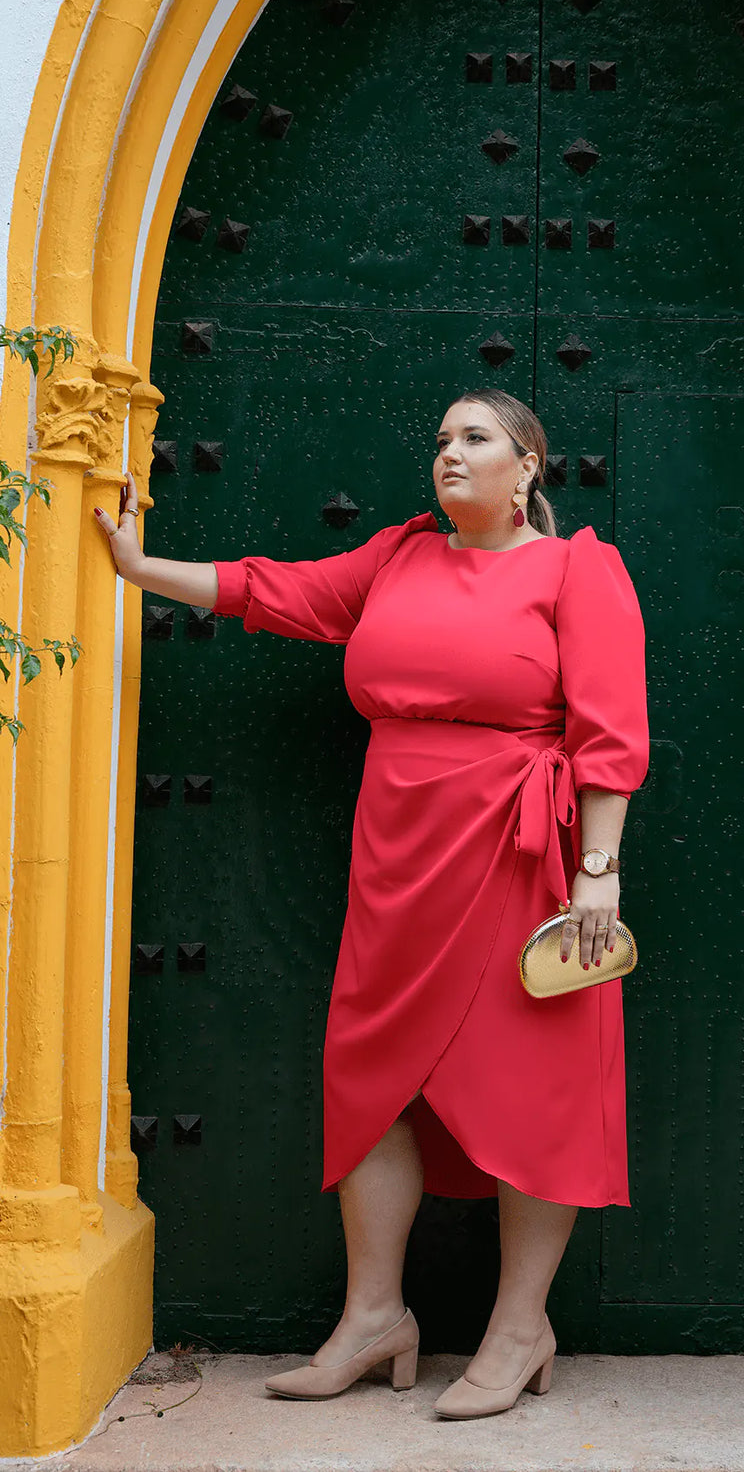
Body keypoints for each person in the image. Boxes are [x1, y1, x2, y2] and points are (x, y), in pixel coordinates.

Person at [95, 387, 649, 1421]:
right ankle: (373, 1316)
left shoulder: (580, 568)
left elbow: (610, 731)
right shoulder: (398, 556)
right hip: (395, 855)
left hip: (515, 853)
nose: (449, 453)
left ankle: (522, 1323)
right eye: (441, 438)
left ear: (528, 466)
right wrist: (137, 567)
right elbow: (276, 590)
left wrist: (598, 873)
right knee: (372, 1077)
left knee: (535, 1080)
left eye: (475, 437)